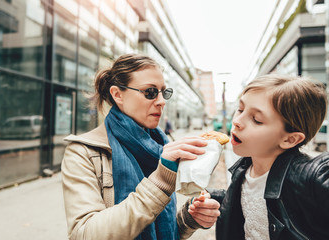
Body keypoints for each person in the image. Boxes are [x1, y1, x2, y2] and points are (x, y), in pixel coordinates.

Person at [61, 53, 221, 240]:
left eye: (164, 92)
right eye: (150, 92)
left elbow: (159, 228)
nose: (161, 101)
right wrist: (160, 181)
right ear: (117, 95)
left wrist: (189, 219)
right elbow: (84, 234)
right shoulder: (83, 153)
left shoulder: (160, 145)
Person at [202, 74, 329, 239]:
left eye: (256, 119)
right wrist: (215, 200)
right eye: (240, 109)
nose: (237, 121)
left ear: (290, 139)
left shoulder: (311, 178)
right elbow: (255, 201)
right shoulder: (243, 170)